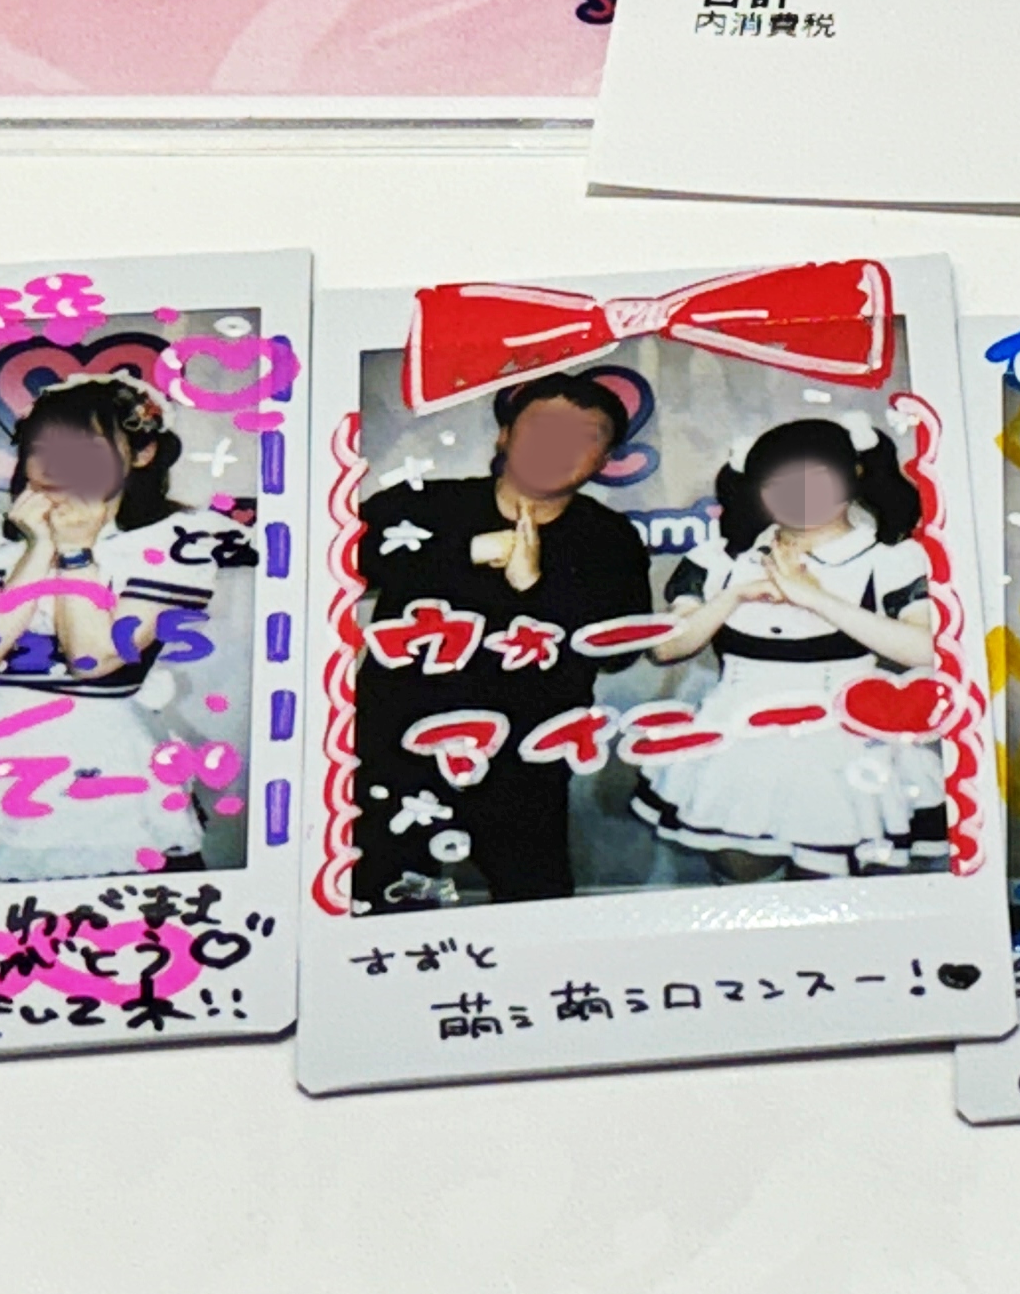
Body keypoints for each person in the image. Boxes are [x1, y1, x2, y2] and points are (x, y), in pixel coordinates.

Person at [0, 373, 244, 884]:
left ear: (141, 454)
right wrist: (39, 549)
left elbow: (93, 660)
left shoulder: (169, 545)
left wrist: (76, 553)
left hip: (102, 755)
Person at [354, 373, 654, 911]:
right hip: (400, 743)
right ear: (504, 435)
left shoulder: (609, 539)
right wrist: (467, 553)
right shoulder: (420, 506)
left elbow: (620, 649)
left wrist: (536, 585)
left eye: (582, 437)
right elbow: (333, 560)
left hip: (526, 756)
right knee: (391, 897)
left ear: (606, 458)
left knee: (533, 900)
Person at [637, 414, 946, 880]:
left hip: (844, 737)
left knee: (829, 875)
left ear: (854, 474)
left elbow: (927, 651)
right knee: (740, 871)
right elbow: (665, 649)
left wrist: (814, 598)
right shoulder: (722, 558)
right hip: (737, 732)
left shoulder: (890, 558)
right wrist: (734, 595)